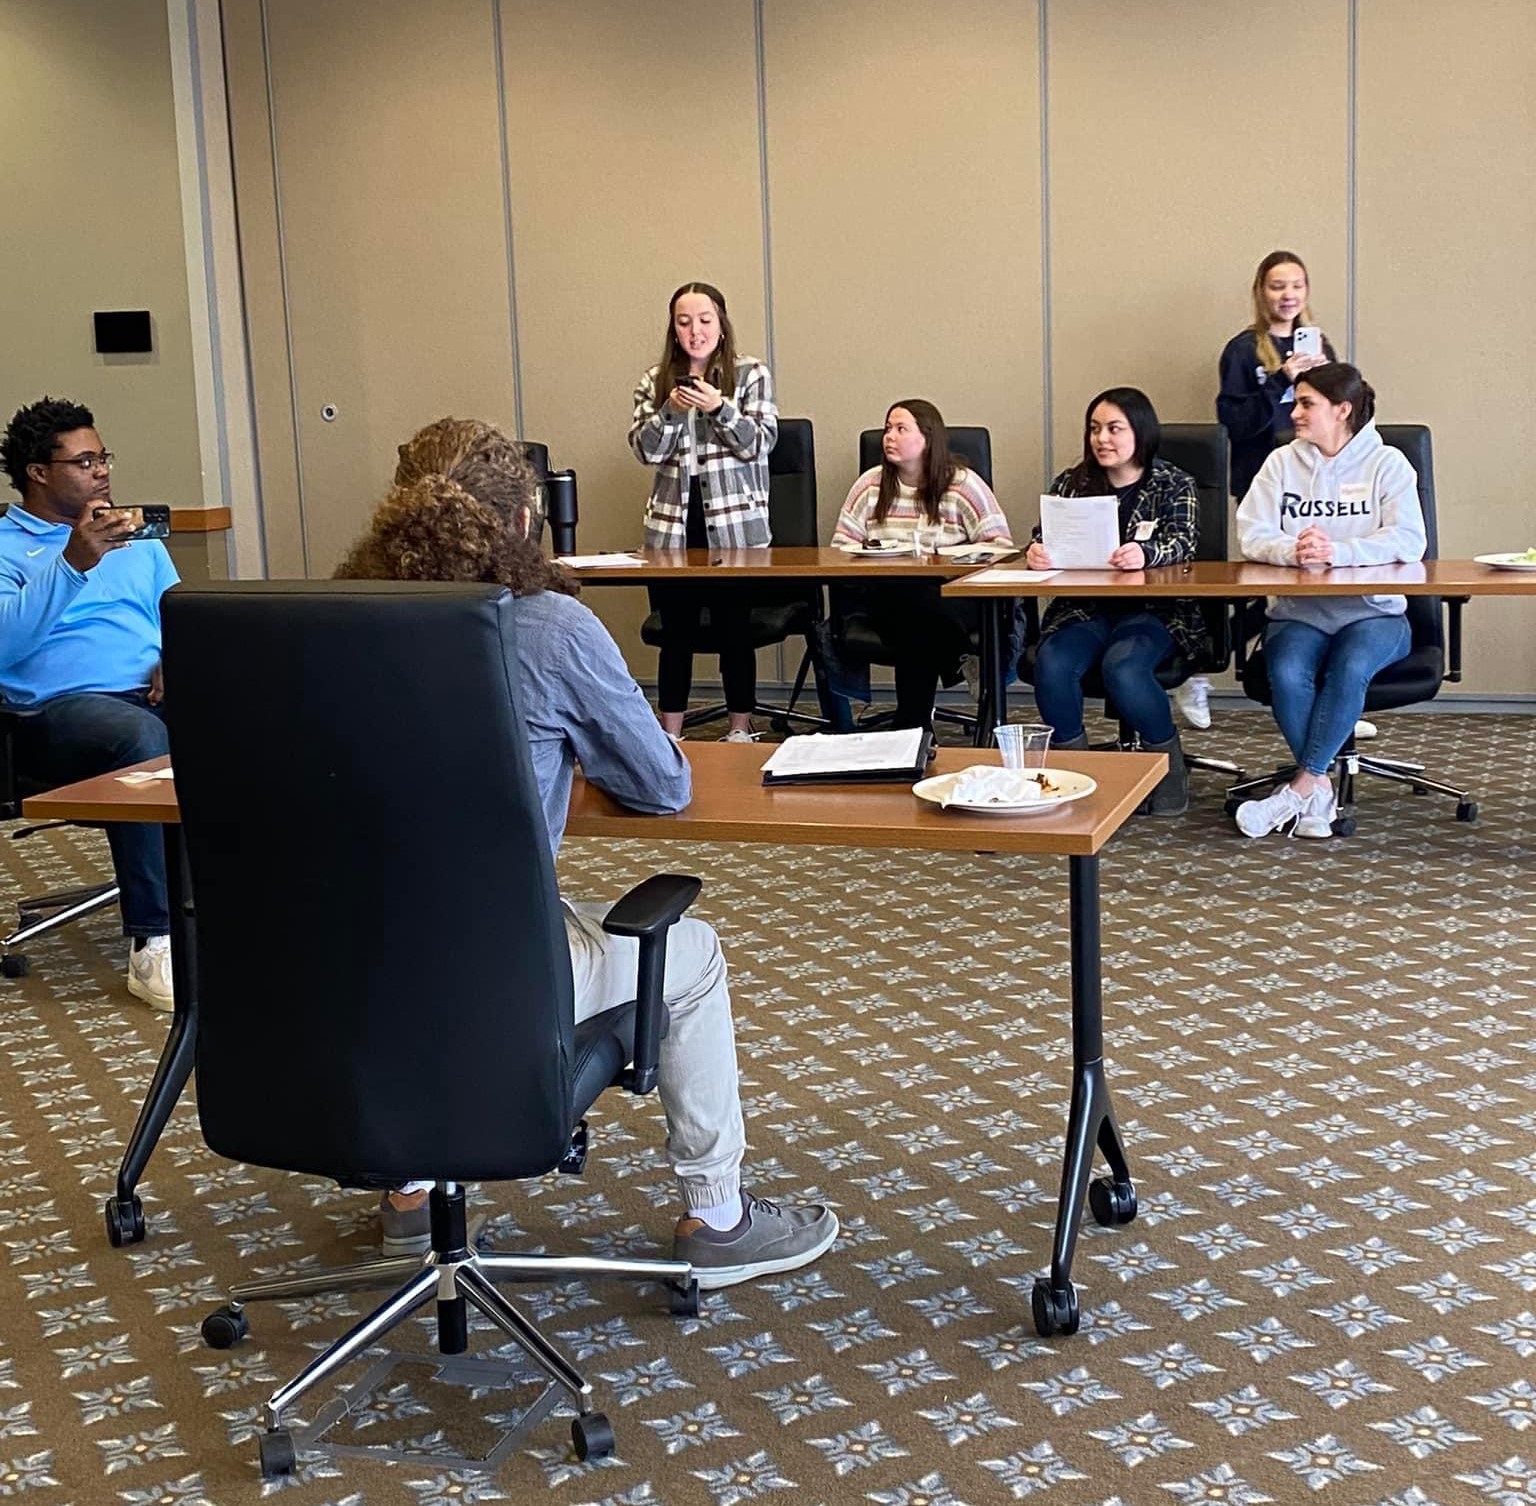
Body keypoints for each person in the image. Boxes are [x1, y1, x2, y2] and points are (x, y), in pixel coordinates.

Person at [336, 417, 837, 1288]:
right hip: (491, 979)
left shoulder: (330, 625)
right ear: (526, 524)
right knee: (694, 952)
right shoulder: (548, 628)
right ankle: (717, 1217)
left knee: (413, 916)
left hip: (342, 975)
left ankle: (409, 1198)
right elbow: (661, 784)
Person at [0, 397, 178, 1010]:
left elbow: (177, 613)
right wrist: (75, 561)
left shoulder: (138, 536)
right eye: (83, 461)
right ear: (37, 472)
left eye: (102, 457)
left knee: (268, 714)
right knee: (141, 740)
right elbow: (5, 643)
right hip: (59, 712)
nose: (101, 470)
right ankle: (153, 941)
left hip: (152, 695)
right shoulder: (4, 545)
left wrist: (175, 655)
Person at [1233, 363, 1425, 839]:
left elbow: (1409, 540)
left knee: (1352, 666)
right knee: (1283, 670)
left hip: (1374, 611)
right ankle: (1316, 787)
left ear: (1342, 410)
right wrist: (1290, 549)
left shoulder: (1388, 464)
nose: (1294, 412)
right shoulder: (1281, 463)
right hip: (1300, 611)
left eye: (1306, 403)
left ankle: (1301, 788)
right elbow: (1250, 533)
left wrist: (1338, 553)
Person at [1176, 250, 1347, 735]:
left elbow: (1338, 413)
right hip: (1265, 479)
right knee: (1265, 586)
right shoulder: (1243, 350)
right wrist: (1282, 379)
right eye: (1277, 286)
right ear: (1260, 292)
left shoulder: (1320, 345)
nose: (1287, 295)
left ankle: (1335, 700)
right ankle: (1199, 664)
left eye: (1296, 285)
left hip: (1321, 479)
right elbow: (1236, 422)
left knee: (1313, 587)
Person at [1024, 388, 1200, 816]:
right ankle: (1076, 774)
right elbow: (1044, 533)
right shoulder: (1073, 482)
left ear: (1140, 432)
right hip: (1086, 608)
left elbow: (1184, 540)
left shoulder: (1173, 483)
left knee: (1123, 667)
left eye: (1114, 429)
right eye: (1094, 429)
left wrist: (1147, 554)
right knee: (1052, 664)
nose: (1102, 438)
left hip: (1154, 611)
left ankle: (1167, 767)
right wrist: (1037, 550)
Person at [628, 282, 778, 743]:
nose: (695, 331)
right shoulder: (655, 380)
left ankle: (738, 729)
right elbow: (644, 451)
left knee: (736, 630)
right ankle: (670, 733)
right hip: (674, 525)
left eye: (705, 320)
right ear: (674, 329)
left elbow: (760, 443)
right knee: (677, 632)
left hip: (734, 527)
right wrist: (670, 412)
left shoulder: (750, 374)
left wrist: (719, 407)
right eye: (684, 321)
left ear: (721, 323)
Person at [831, 400, 1012, 729]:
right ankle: (960, 657)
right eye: (887, 428)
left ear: (928, 438)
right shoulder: (870, 485)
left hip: (954, 597)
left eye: (901, 429)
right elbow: (840, 547)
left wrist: (957, 557)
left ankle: (911, 726)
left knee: (919, 619)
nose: (889, 436)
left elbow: (1000, 547)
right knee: (913, 604)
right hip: (884, 596)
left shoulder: (963, 484)